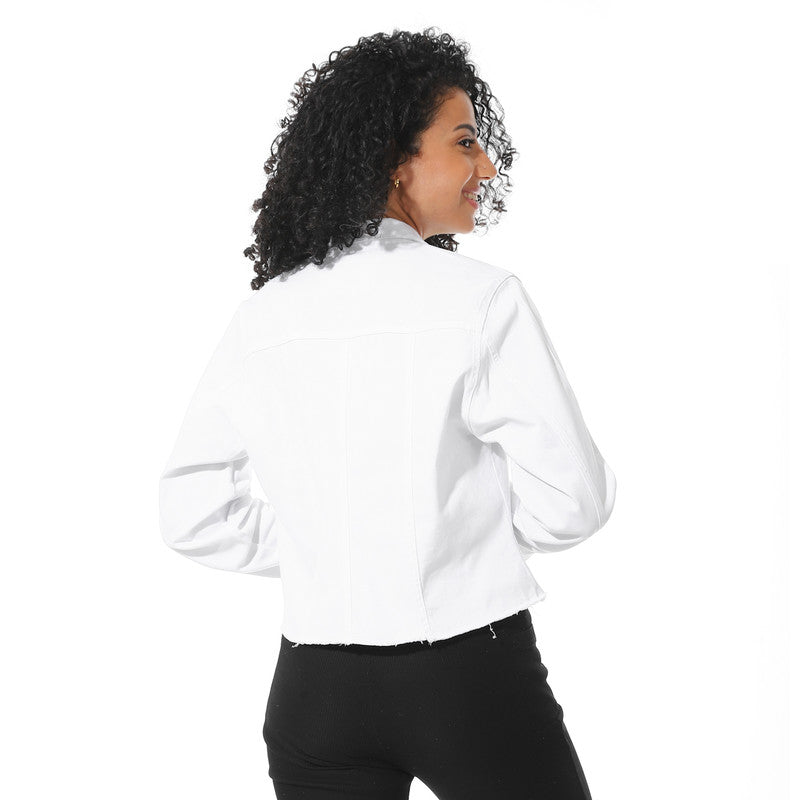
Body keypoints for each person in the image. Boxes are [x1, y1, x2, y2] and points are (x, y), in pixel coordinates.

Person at [158, 27, 616, 800]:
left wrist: (335, 549)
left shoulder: (266, 316)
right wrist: (451, 542)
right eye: (464, 141)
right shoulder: (481, 299)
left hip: (314, 689)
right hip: (467, 674)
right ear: (393, 158)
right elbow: (574, 503)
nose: (487, 166)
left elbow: (190, 509)